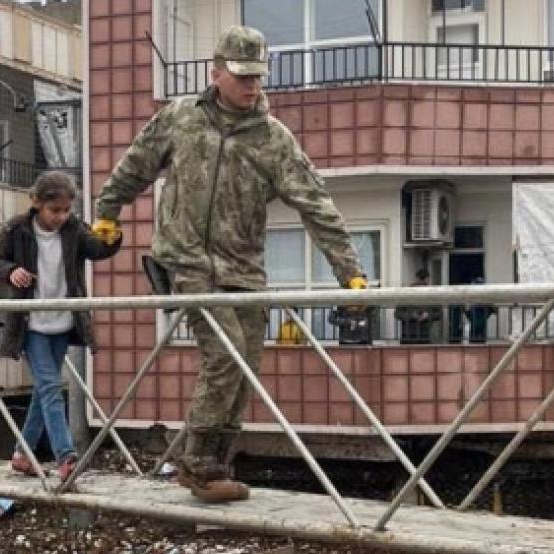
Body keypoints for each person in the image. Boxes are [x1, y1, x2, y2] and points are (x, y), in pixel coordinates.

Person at [93, 25, 367, 503]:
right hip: (185, 260)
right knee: (226, 353)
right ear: (215, 73)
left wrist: (351, 272)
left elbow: (315, 204)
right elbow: (136, 165)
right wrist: (107, 212)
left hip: (243, 268)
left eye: (258, 77)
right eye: (242, 77)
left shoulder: (273, 139)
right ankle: (196, 463)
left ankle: (217, 461)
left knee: (247, 362)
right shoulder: (180, 118)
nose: (252, 86)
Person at [0, 171, 122, 481]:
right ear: (37, 203)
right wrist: (11, 271)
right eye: (55, 210)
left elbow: (98, 250)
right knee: (50, 388)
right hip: (30, 322)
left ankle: (22, 454)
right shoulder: (16, 228)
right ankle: (66, 456)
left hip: (63, 320)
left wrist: (112, 235)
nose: (61, 216)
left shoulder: (74, 229)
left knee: (44, 391)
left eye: (66, 210)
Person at [398, 268, 438, 345]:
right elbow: (397, 313)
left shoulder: (431, 293)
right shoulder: (406, 293)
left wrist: (427, 316)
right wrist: (412, 315)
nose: (422, 285)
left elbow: (438, 313)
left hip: (423, 335)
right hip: (410, 335)